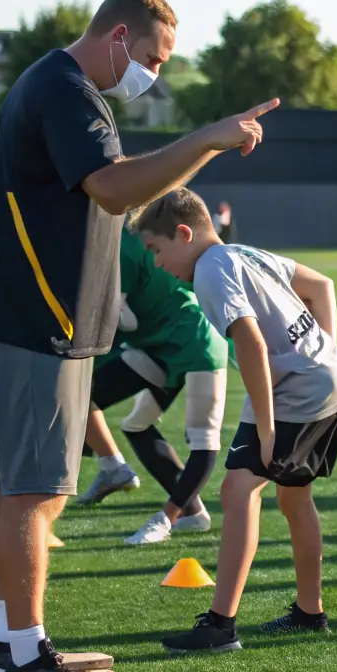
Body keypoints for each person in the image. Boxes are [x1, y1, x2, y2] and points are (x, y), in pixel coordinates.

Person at [0, 0, 278, 672]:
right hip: (32, 317)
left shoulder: (63, 85)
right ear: (118, 39)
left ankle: (1, 640)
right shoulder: (67, 90)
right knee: (33, 488)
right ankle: (26, 659)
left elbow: (118, 189)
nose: (154, 75)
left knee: (32, 489)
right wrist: (209, 140)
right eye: (155, 59)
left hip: (41, 318)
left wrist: (204, 148)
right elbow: (112, 187)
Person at [135, 187, 337, 654]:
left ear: (183, 233)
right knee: (294, 498)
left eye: (157, 250)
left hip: (298, 388)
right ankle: (309, 612)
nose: (157, 264)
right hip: (335, 377)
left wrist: (268, 425)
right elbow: (323, 287)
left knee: (238, 490)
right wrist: (324, 352)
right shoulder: (241, 252)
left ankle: (220, 627)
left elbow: (252, 344)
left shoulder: (210, 271)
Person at [77, 226, 229, 543]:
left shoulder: (122, 245)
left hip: (192, 340)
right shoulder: (123, 240)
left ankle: (167, 518)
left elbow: (121, 317)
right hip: (155, 343)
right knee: (129, 420)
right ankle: (190, 509)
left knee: (203, 434)